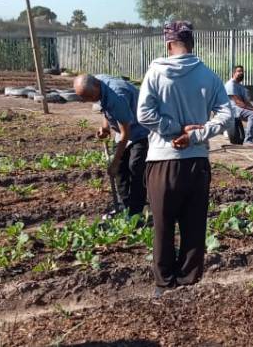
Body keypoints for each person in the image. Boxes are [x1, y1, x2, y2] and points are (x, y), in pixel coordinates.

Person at [137, 20, 232, 297]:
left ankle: (164, 284)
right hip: (196, 162)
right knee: (194, 225)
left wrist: (174, 129)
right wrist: (197, 134)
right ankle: (189, 281)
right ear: (192, 43)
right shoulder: (208, 76)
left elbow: (144, 115)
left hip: (162, 162)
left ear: (168, 45)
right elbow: (227, 116)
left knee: (163, 226)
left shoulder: (155, 72)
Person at [74, 74, 151, 217]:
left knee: (135, 168)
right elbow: (105, 106)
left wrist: (114, 162)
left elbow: (125, 134)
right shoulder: (98, 82)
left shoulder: (117, 96)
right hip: (125, 129)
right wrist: (106, 128)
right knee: (121, 170)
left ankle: (135, 213)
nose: (87, 101)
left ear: (96, 86)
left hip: (141, 130)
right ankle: (124, 207)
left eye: (89, 97)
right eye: (84, 98)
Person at [225, 65, 253, 146]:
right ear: (233, 73)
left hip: (240, 108)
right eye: (239, 71)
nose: (241, 73)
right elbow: (238, 102)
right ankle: (248, 140)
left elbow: (247, 102)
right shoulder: (230, 84)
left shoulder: (241, 86)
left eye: (242, 71)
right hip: (233, 109)